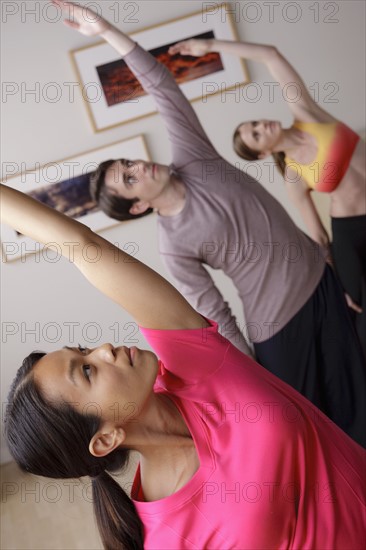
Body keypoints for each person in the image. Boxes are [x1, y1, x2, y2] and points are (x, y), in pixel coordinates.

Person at [45, 1, 366, 447]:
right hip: (279, 329)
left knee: (360, 400)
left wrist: (105, 30)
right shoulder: (173, 245)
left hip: (323, 284)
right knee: (317, 430)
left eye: (128, 163)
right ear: (137, 207)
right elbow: (216, 314)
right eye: (130, 178)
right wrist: (252, 373)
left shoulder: (194, 157)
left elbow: (161, 85)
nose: (139, 166)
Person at [2, 178, 366, 549]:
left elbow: (83, 247)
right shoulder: (167, 538)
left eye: (83, 350)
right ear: (106, 438)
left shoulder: (195, 365)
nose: (104, 349)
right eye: (87, 371)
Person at [170, 37, 366, 360]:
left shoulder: (307, 113)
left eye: (256, 123)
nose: (262, 125)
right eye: (257, 133)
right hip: (351, 235)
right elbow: (317, 235)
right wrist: (336, 287)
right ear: (263, 153)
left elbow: (271, 55)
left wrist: (211, 47)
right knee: (357, 314)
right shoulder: (293, 176)